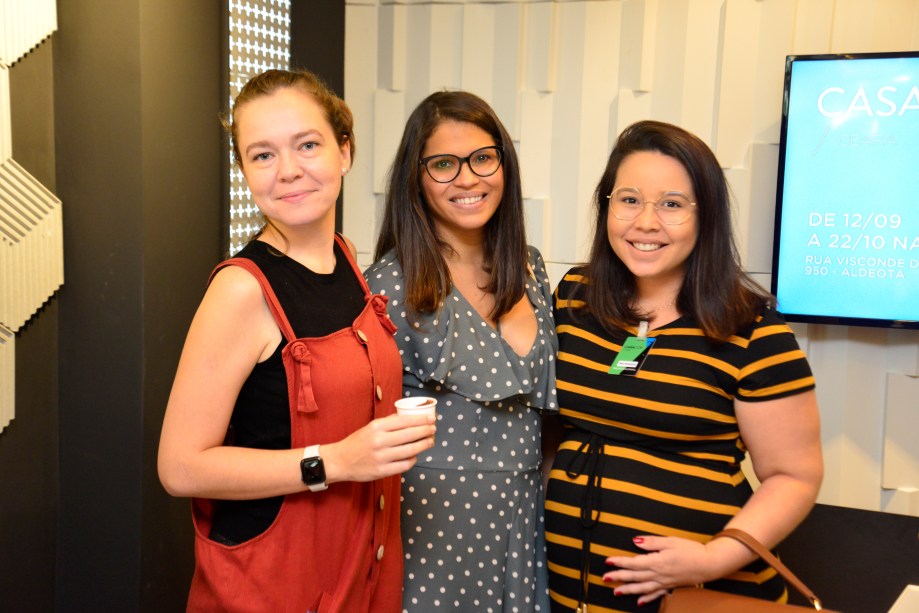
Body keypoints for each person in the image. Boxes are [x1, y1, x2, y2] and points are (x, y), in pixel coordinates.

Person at [157, 68, 435, 613]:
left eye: (307, 144)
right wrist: (333, 461)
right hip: (275, 586)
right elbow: (180, 467)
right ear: (244, 171)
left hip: (360, 571)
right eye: (262, 155)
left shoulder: (345, 258)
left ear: (344, 152)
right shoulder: (242, 290)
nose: (288, 171)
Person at [545, 120, 824, 612]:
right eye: (629, 199)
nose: (646, 222)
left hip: (703, 594)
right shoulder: (574, 296)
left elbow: (794, 476)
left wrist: (712, 558)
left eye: (672, 204)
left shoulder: (750, 328)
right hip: (569, 592)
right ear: (606, 206)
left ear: (705, 218)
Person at [365, 90, 558, 612]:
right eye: (444, 165)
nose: (468, 178)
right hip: (432, 524)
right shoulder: (387, 285)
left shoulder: (532, 268)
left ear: (504, 163)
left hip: (522, 522)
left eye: (482, 158)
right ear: (416, 178)